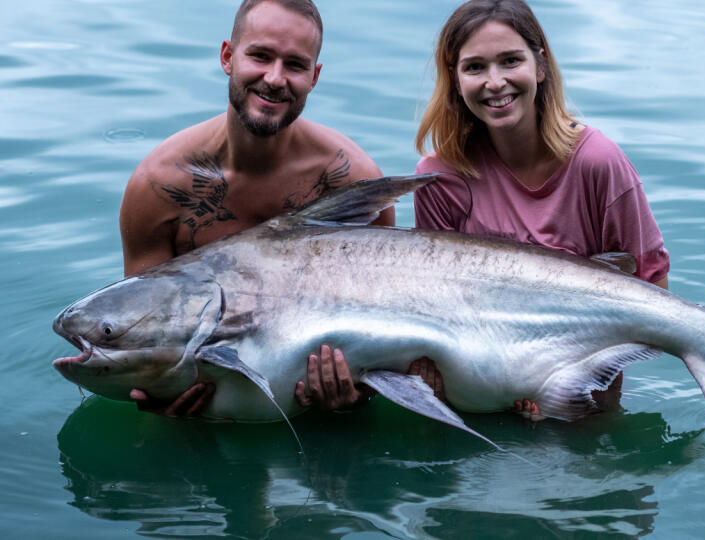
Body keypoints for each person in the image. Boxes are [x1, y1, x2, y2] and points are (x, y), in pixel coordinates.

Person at [119, 0, 386, 416]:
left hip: (317, 420)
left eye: (295, 65)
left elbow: (387, 326)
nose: (275, 79)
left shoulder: (352, 181)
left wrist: (356, 395)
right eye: (260, 56)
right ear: (228, 56)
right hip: (201, 425)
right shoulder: (158, 187)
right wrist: (157, 393)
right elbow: (141, 337)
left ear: (314, 77)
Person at [412, 0, 670, 420]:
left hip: (586, 401)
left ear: (541, 66)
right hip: (480, 399)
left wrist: (578, 382)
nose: (495, 82)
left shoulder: (597, 163)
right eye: (475, 67)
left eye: (510, 61)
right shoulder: (439, 178)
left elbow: (653, 288)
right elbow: (440, 309)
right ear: (455, 80)